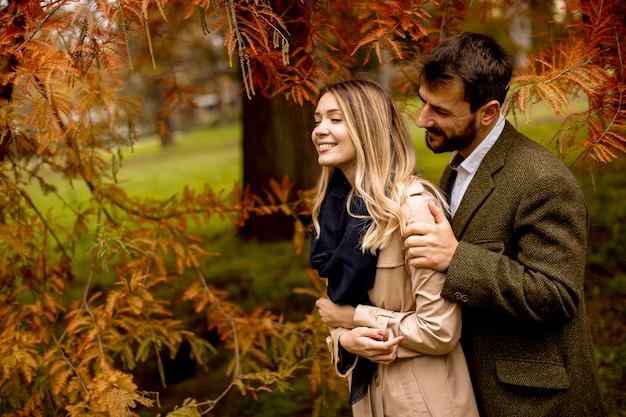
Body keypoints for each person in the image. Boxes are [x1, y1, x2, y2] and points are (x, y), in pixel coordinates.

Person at [403, 32, 607, 416]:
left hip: (531, 401)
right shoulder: (458, 164)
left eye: (441, 112)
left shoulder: (542, 181)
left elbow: (556, 294)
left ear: (488, 112)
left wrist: (456, 258)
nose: (422, 119)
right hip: (471, 388)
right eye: (423, 102)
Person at [309, 79, 479, 417]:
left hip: (426, 403)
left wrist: (353, 318)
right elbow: (342, 319)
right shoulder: (336, 213)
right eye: (317, 120)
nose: (320, 131)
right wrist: (344, 339)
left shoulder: (413, 209)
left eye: (335, 119)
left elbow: (440, 331)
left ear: (367, 127)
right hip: (371, 400)